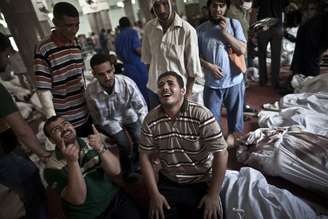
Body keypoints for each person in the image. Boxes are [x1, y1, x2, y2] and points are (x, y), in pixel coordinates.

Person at [139, 71, 228, 219]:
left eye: (170, 83)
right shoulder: (150, 120)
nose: (165, 88)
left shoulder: (201, 115)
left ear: (183, 91)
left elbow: (222, 153)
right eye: (161, 85)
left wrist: (213, 195)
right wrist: (154, 195)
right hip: (170, 181)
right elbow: (144, 157)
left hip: (201, 181)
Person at [43, 116, 141, 219]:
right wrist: (72, 162)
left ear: (72, 125)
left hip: (114, 198)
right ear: (51, 140)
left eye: (65, 123)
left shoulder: (91, 141)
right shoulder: (51, 168)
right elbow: (78, 199)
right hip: (89, 214)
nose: (64, 129)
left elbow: (115, 171)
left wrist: (100, 148)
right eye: (56, 129)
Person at [0, 33, 49, 219]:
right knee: (33, 192)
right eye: (6, 55)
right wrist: (43, 154)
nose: (8, 61)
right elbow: (22, 130)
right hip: (4, 153)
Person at [86, 53, 148, 182]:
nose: (107, 77)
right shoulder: (90, 91)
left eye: (109, 71)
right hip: (109, 120)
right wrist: (106, 132)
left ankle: (137, 164)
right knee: (124, 144)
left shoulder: (127, 83)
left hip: (129, 114)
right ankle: (127, 171)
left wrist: (145, 129)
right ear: (94, 74)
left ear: (113, 68)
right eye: (101, 74)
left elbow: (141, 108)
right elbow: (96, 116)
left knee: (139, 138)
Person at [34, 2, 92, 137]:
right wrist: (55, 124)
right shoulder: (44, 48)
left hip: (85, 112)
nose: (74, 29)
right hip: (66, 120)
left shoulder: (75, 42)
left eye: (77, 25)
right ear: (55, 22)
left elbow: (80, 76)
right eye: (69, 25)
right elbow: (43, 90)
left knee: (92, 153)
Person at [197, 0, 247, 146]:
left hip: (234, 79)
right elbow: (194, 56)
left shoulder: (234, 24)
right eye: (214, 6)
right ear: (209, 8)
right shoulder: (200, 30)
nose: (218, 9)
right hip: (212, 82)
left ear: (226, 7)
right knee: (211, 116)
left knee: (235, 111)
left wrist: (225, 33)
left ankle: (231, 133)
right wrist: (209, 66)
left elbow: (242, 49)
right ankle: (216, 137)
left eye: (221, 6)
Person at [141, 0, 203, 109]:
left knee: (180, 125)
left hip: (177, 92)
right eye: (157, 5)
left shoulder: (187, 30)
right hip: (155, 90)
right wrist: (153, 83)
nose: (161, 10)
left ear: (172, 2)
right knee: (160, 124)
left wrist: (187, 96)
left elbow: (193, 70)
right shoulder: (149, 29)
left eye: (164, 3)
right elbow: (148, 61)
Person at [226, 0, 258, 116]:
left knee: (241, 83)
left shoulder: (242, 11)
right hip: (235, 53)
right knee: (237, 84)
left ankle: (241, 107)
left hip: (242, 51)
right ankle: (237, 110)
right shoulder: (231, 12)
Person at [251, 0, 289, 88]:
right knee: (276, 56)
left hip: (263, 26)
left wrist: (253, 29)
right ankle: (275, 82)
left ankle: (263, 81)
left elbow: (254, 11)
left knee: (262, 55)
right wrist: (284, 26)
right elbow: (286, 10)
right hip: (277, 26)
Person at [115, 17, 149, 103]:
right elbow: (137, 48)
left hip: (127, 69)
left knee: (134, 92)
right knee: (145, 91)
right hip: (138, 67)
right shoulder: (132, 32)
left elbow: (118, 56)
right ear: (129, 23)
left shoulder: (118, 37)